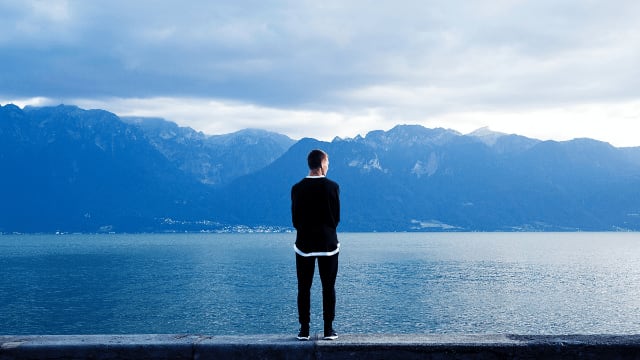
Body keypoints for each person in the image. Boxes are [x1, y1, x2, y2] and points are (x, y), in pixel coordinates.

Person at [291, 149, 340, 341]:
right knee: (328, 287)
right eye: (327, 162)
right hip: (328, 245)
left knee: (304, 287)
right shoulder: (332, 187)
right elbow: (336, 218)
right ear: (320, 164)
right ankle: (328, 330)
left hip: (303, 244)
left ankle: (304, 330)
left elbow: (295, 219)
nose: (328, 166)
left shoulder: (297, 188)